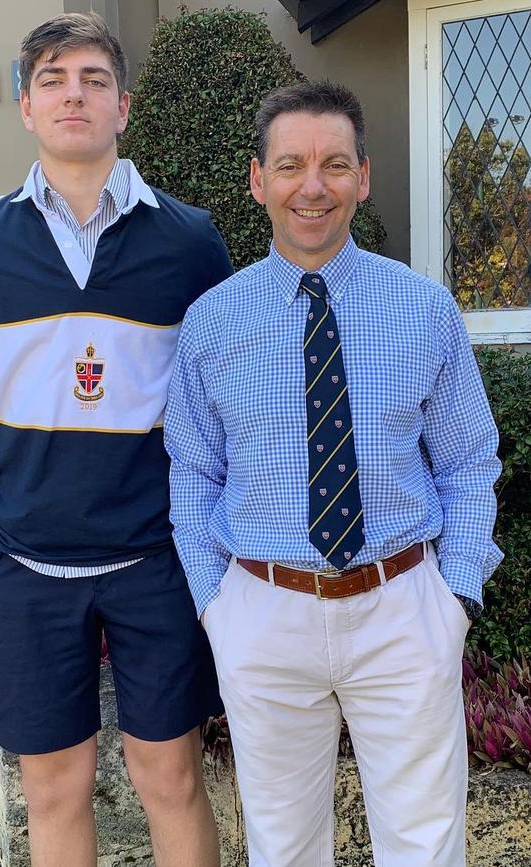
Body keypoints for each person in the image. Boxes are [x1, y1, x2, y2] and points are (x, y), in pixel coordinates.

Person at [0, 12, 232, 867]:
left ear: (123, 105)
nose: (74, 95)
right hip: (23, 560)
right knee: (54, 788)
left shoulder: (191, 242)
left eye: (94, 79)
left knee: (169, 777)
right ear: (25, 106)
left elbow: (226, 396)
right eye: (54, 80)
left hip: (155, 558)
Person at [165, 80, 502, 867]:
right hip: (262, 612)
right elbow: (192, 472)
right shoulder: (212, 321)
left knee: (425, 843)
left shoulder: (424, 308)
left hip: (402, 609)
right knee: (283, 847)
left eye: (334, 164)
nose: (312, 186)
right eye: (290, 165)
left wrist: (452, 599)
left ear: (364, 176)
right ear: (258, 180)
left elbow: (467, 459)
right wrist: (219, 607)